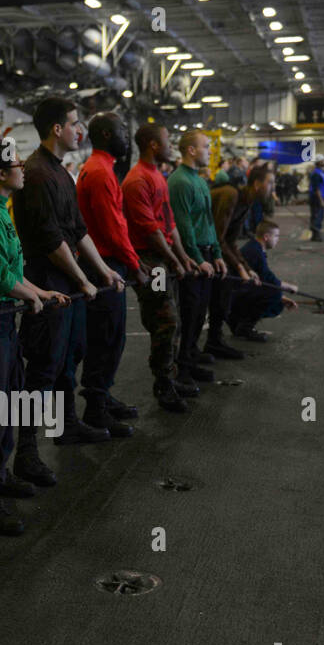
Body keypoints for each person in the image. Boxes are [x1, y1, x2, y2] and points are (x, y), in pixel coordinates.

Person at [0, 139, 69, 536]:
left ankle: (0, 476)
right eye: (18, 164)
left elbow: (12, 271)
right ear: (1, 175)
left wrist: (39, 293)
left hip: (1, 318)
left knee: (9, 397)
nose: (24, 168)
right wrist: (31, 294)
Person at [12, 96, 125, 471]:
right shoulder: (39, 174)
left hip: (68, 281)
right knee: (43, 368)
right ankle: (26, 453)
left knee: (68, 358)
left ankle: (66, 425)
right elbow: (50, 239)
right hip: (48, 280)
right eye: (75, 123)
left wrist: (102, 271)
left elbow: (77, 231)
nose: (81, 130)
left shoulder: (61, 172)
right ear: (57, 129)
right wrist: (82, 278)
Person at [76, 111, 145, 437]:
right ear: (104, 134)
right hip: (105, 266)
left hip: (104, 263)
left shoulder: (100, 168)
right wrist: (134, 265)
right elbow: (114, 229)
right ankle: (95, 408)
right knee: (106, 337)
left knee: (111, 336)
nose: (126, 137)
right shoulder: (101, 172)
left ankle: (102, 395)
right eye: (121, 130)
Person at [122, 122, 199, 414]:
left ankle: (171, 375)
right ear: (154, 145)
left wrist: (182, 257)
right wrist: (174, 260)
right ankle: (163, 383)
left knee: (173, 320)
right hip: (150, 261)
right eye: (168, 140)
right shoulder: (137, 180)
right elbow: (152, 231)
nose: (171, 145)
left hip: (164, 258)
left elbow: (169, 225)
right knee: (163, 321)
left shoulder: (158, 176)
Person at [168, 129, 229, 386]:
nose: (210, 151)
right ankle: (182, 369)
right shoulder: (180, 181)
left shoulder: (200, 180)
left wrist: (216, 254)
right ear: (191, 150)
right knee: (190, 313)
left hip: (205, 255)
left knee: (199, 312)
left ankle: (191, 360)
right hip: (194, 258)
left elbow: (208, 223)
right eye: (206, 146)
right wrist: (196, 258)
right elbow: (184, 228)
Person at [210, 165, 270, 347]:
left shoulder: (247, 201)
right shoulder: (231, 195)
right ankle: (206, 345)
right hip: (200, 248)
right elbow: (218, 238)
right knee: (210, 298)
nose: (273, 187)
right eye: (271, 183)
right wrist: (239, 268)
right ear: (258, 184)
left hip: (214, 248)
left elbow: (231, 241)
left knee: (223, 294)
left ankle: (215, 341)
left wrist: (247, 269)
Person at [229, 219, 299, 338]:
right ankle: (245, 328)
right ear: (266, 237)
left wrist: (282, 297)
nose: (278, 239)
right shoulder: (255, 251)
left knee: (276, 295)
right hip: (233, 294)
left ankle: (237, 322)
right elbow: (269, 279)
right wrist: (289, 287)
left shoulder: (254, 247)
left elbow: (264, 280)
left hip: (237, 291)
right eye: (276, 236)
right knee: (274, 294)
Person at [308, 156, 324, 242]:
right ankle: (316, 235)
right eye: (323, 160)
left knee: (318, 216)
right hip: (316, 198)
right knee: (317, 216)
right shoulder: (316, 173)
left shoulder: (321, 172)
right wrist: (321, 200)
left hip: (320, 197)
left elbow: (323, 186)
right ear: (319, 162)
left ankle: (315, 235)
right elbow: (316, 189)